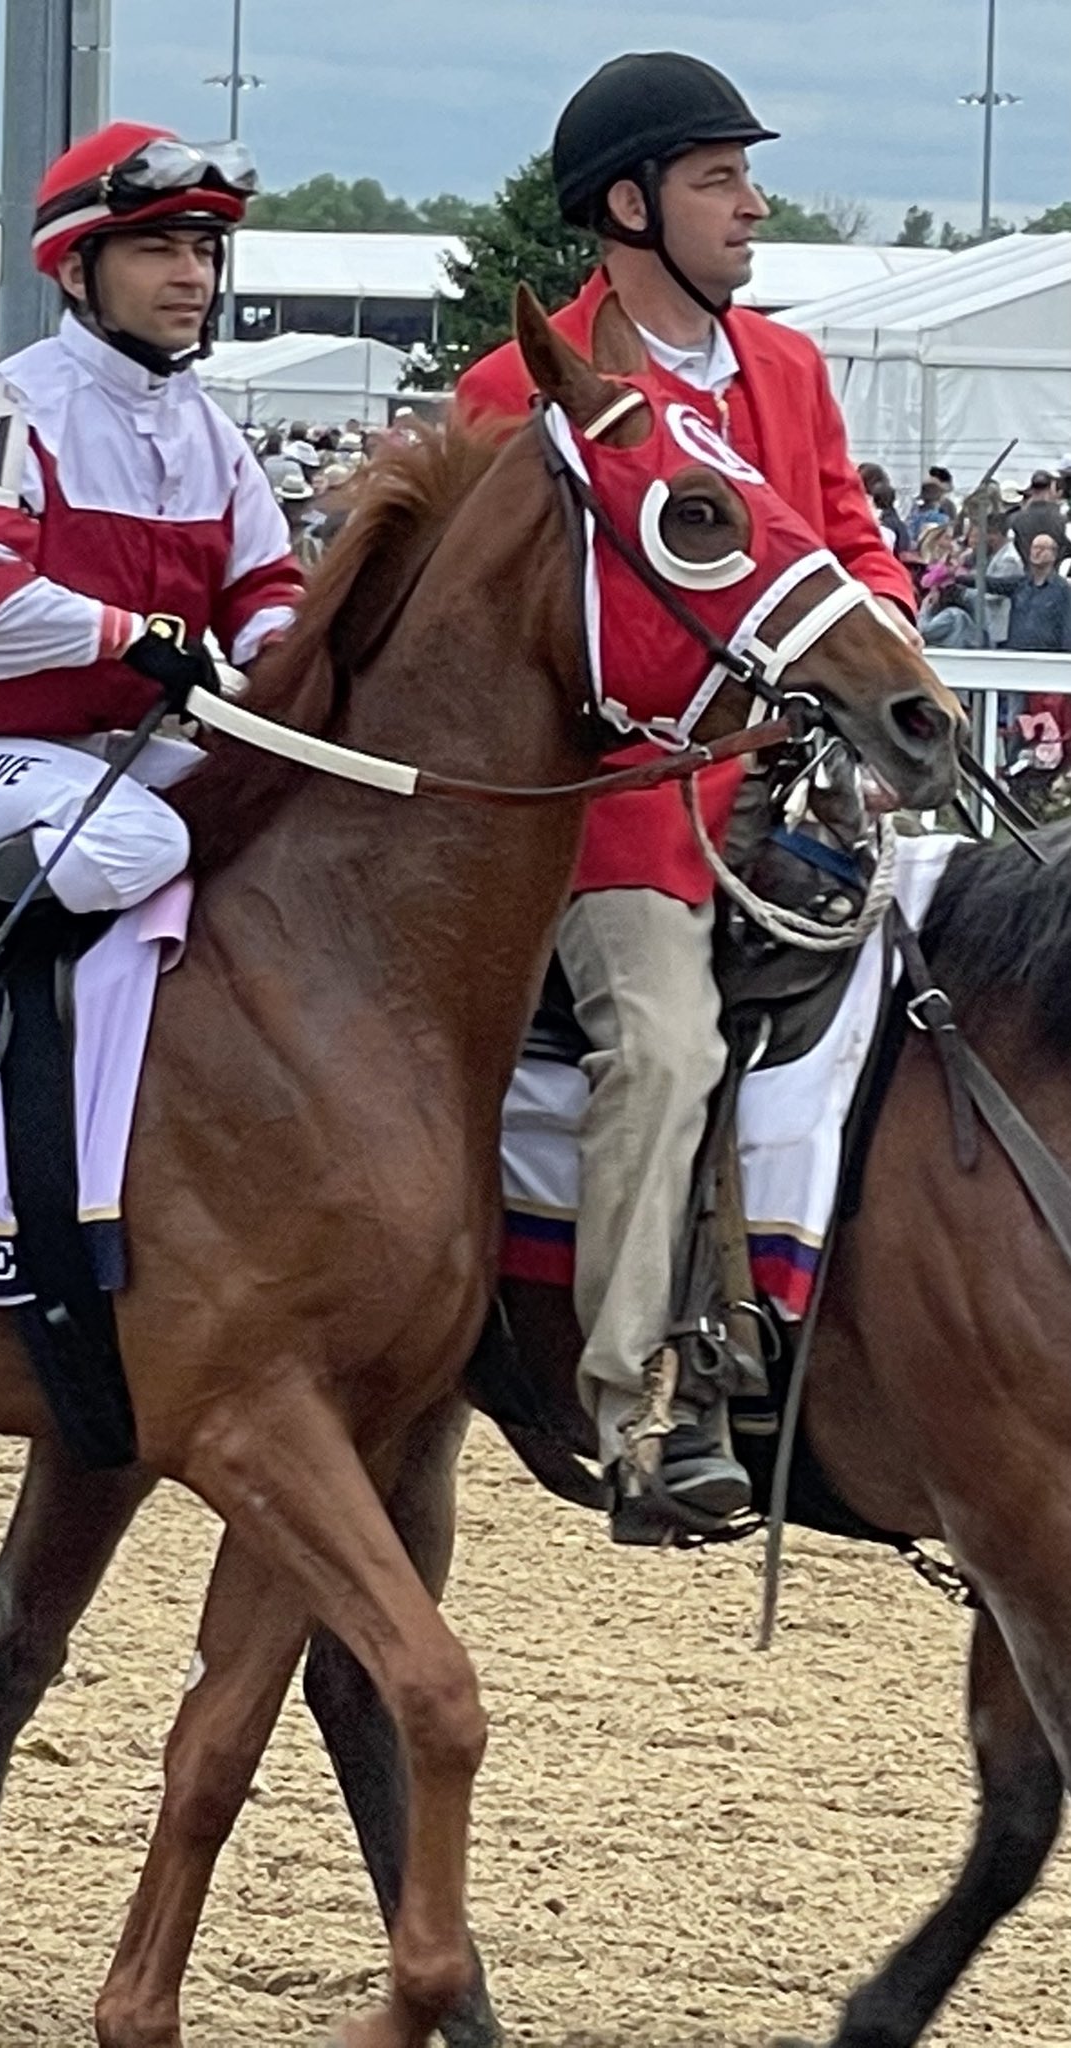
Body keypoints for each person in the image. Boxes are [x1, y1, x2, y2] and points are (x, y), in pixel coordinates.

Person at [455, 50, 918, 1535]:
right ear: (627, 203)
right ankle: (640, 1398)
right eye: (718, 180)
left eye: (742, 178)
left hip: (786, 797)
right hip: (615, 807)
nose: (750, 208)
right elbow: (483, 633)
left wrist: (878, 660)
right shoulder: (512, 387)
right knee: (660, 1046)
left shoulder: (784, 370)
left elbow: (853, 548)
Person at [0, 119, 304, 1058]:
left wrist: (284, 675)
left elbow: (266, 593)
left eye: (205, 251)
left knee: (278, 810)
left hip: (94, 749)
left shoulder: (213, 435)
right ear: (78, 271)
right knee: (143, 845)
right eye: (158, 249)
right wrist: (135, 637)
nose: (192, 277)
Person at [1005, 532, 1071, 654]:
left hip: (1046, 658)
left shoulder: (1063, 590)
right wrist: (960, 577)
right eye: (1034, 547)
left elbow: (1067, 628)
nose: (1037, 552)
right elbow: (990, 583)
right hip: (1016, 655)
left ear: (1053, 555)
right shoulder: (1019, 584)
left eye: (1042, 548)